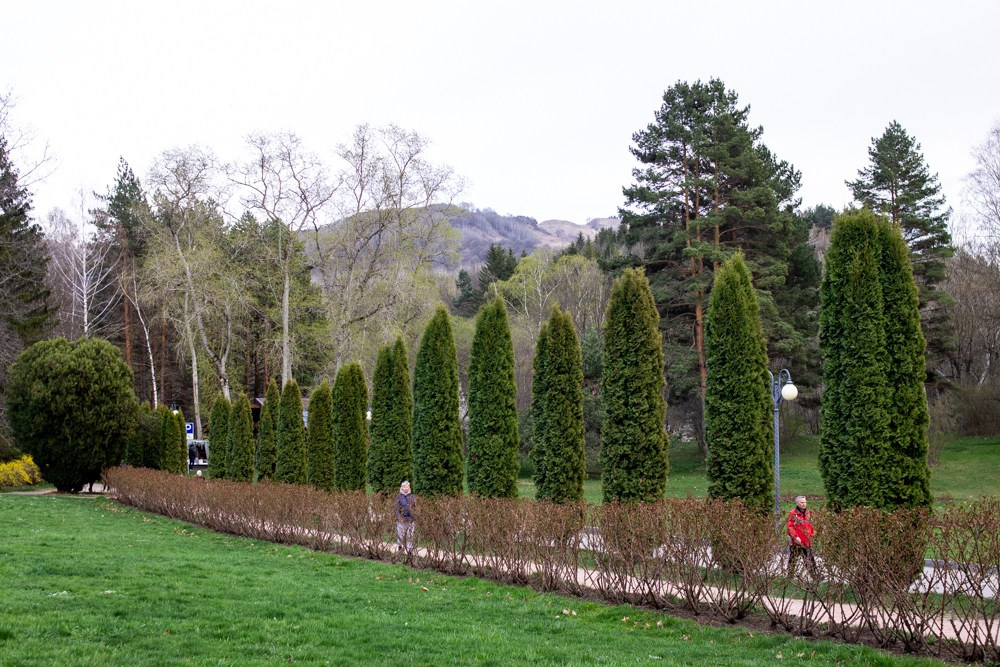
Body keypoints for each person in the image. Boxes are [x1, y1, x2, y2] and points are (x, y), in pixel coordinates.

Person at [787, 495, 818, 580]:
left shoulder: (808, 513)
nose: (804, 504)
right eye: (802, 502)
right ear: (797, 503)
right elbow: (790, 527)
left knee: (810, 559)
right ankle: (789, 577)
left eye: (805, 502)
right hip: (796, 542)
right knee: (793, 560)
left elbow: (811, 525)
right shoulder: (793, 513)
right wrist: (795, 537)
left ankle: (815, 576)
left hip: (806, 541)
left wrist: (811, 534)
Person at [396, 480, 416, 554]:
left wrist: (414, 517)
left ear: (409, 487)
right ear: (402, 488)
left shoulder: (412, 497)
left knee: (410, 535)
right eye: (404, 487)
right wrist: (399, 517)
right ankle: (400, 547)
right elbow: (396, 509)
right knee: (401, 534)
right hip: (401, 519)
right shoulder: (399, 497)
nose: (406, 488)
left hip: (410, 520)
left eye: (407, 487)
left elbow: (415, 508)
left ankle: (410, 549)